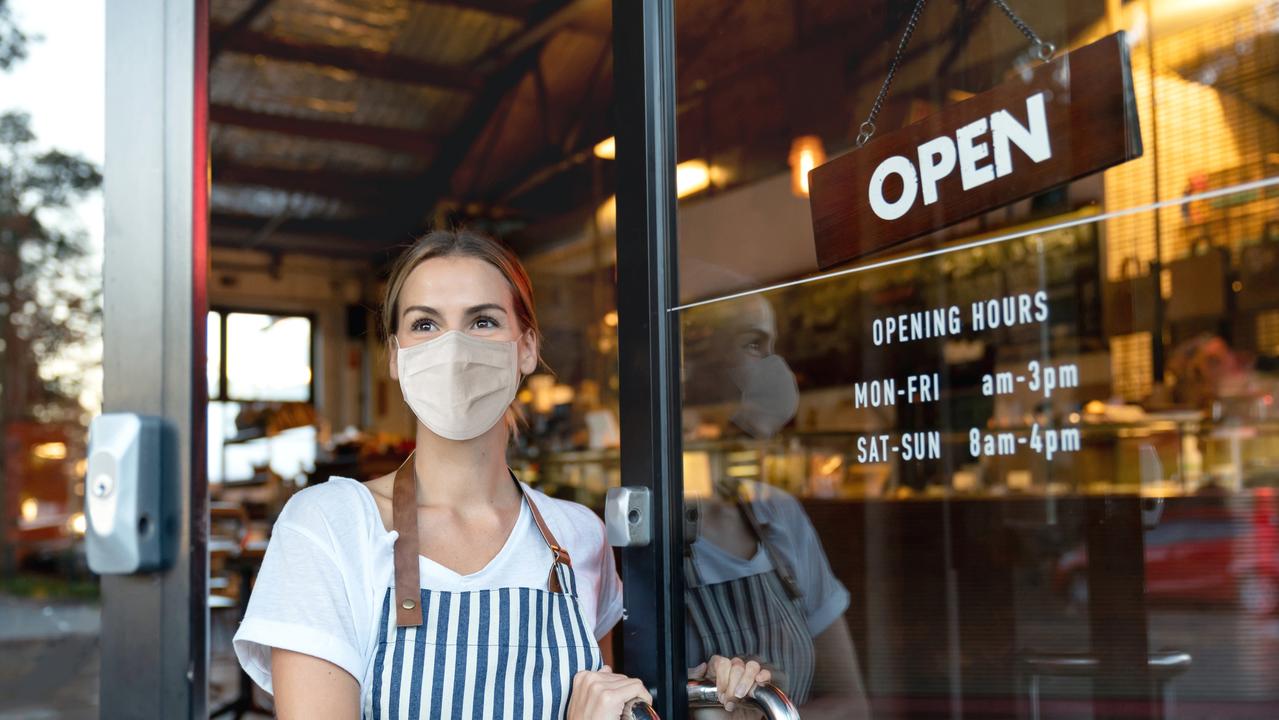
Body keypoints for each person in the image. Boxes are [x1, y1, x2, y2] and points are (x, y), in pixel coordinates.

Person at [233, 229, 768, 719]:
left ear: (528, 348)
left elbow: (609, 700)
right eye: (425, 324)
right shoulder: (328, 527)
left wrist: (699, 698)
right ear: (396, 356)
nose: (453, 349)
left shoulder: (578, 535)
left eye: (482, 321)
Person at [681, 291, 872, 719]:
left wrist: (770, 713)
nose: (775, 368)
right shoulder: (643, 529)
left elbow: (852, 705)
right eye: (753, 345)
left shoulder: (778, 514)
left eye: (773, 348)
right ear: (695, 365)